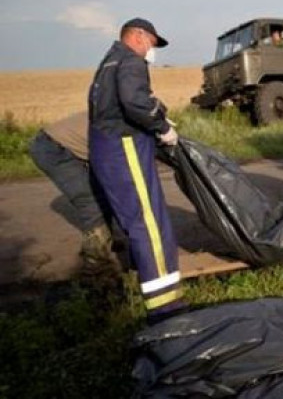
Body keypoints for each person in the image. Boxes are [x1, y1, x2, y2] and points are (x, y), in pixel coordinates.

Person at [88, 17, 186, 324]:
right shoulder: (130, 61)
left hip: (107, 147)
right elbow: (134, 102)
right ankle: (166, 310)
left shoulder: (109, 61)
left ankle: (153, 297)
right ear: (139, 36)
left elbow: (120, 104)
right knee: (149, 225)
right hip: (124, 147)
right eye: (153, 43)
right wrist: (161, 127)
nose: (153, 50)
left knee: (134, 221)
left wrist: (159, 117)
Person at [29, 111, 118, 278]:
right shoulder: (121, 124)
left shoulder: (124, 114)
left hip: (67, 145)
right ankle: (95, 264)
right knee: (91, 200)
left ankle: (108, 240)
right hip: (53, 148)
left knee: (107, 190)